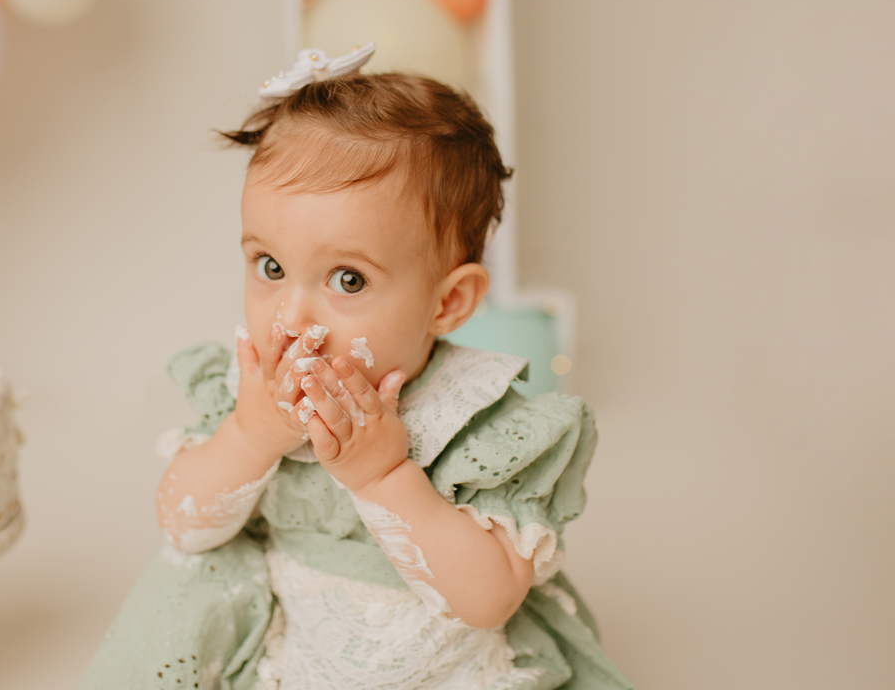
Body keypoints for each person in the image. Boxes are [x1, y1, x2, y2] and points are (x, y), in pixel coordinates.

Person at [81, 48, 633, 690]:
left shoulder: (474, 422)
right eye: (270, 267)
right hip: (301, 660)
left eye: (348, 279)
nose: (291, 314)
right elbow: (183, 525)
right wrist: (249, 436)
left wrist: (385, 475)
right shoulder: (257, 391)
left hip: (445, 665)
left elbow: (488, 601)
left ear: (447, 302)